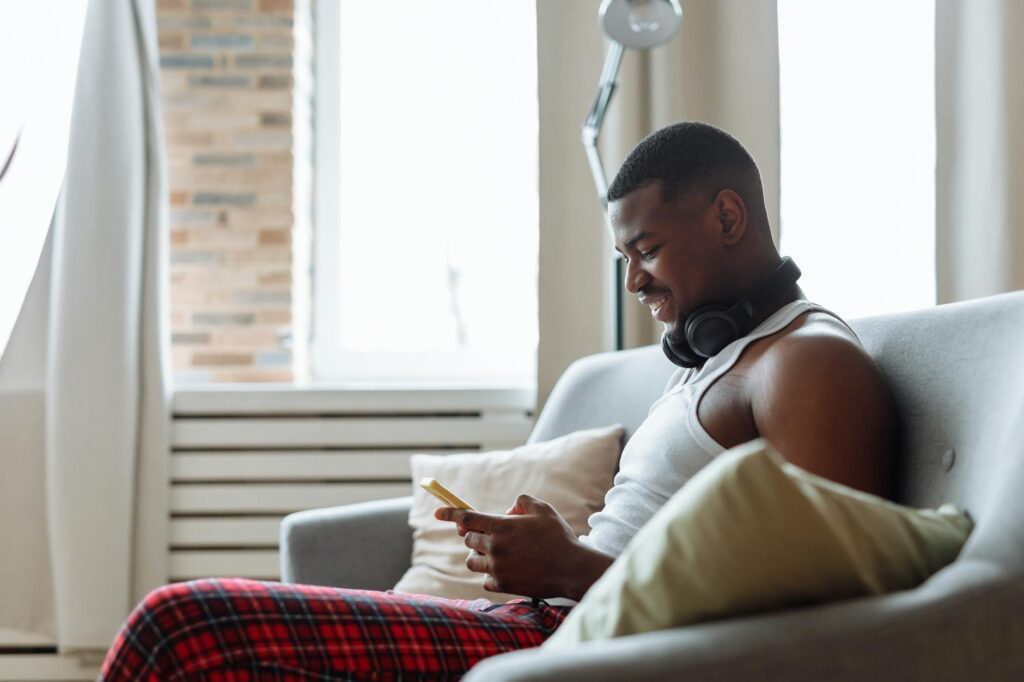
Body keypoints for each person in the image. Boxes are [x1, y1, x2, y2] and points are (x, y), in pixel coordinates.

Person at [99, 122, 897, 680]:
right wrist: (553, 559)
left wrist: (574, 568)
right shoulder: (722, 357)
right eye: (624, 256)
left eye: (646, 249)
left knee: (185, 627)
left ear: (728, 216)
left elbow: (824, 607)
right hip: (555, 620)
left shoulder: (806, 364)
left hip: (577, 639)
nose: (634, 282)